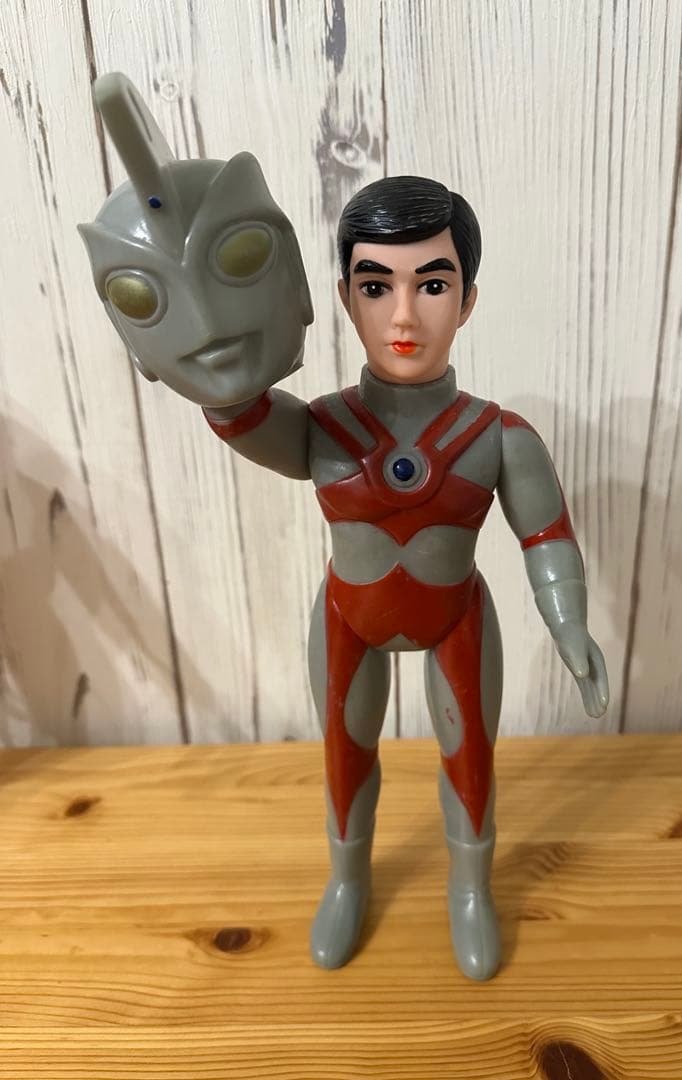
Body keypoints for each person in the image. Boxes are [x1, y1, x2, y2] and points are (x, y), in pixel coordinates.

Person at [80, 73, 609, 981]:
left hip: (455, 618)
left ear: (467, 299)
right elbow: (238, 411)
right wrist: (197, 315)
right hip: (348, 622)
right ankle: (347, 878)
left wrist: (569, 623)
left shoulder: (498, 436)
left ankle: (471, 889)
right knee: (342, 753)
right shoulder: (322, 428)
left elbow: (546, 535)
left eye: (432, 284)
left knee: (470, 757)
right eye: (376, 285)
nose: (404, 314)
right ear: (342, 294)